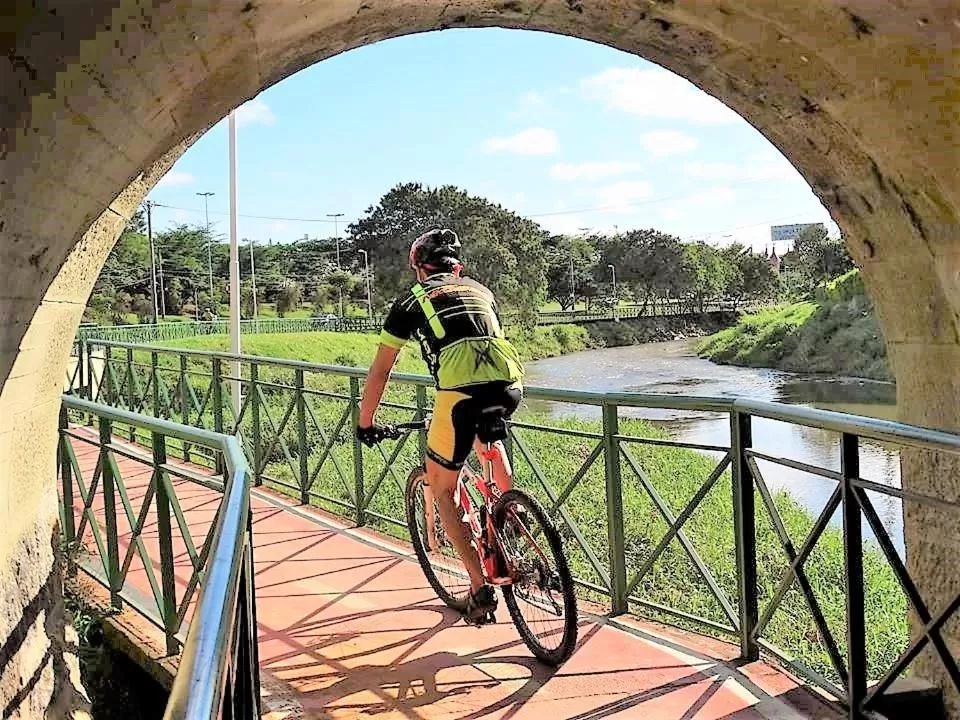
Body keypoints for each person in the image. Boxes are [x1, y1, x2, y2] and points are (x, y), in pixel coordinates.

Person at [356, 227, 524, 622]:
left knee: (442, 488)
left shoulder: (410, 301)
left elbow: (381, 371)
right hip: (510, 387)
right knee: (488, 443)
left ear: (418, 269)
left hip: (459, 396)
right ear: (457, 267)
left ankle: (479, 589)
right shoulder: (481, 291)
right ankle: (511, 513)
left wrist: (366, 423)